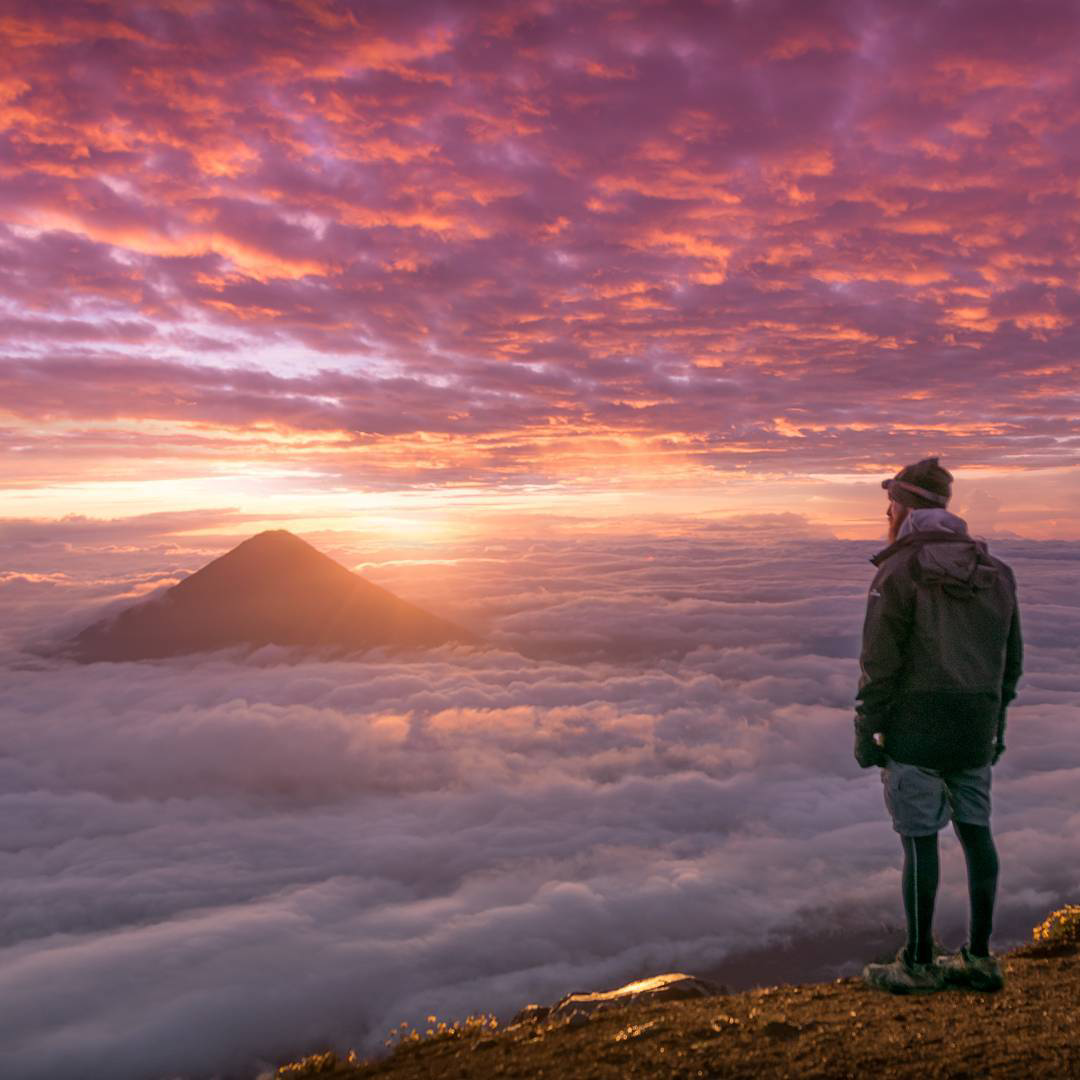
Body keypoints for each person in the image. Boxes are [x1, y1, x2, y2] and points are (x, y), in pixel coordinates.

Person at [854, 458, 1022, 994]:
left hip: (916, 722)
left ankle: (920, 963)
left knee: (920, 839)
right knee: (976, 832)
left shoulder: (899, 571)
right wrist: (995, 721)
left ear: (905, 506)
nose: (887, 513)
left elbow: (879, 661)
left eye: (890, 504)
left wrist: (867, 728)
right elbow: (1010, 658)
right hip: (975, 721)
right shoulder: (995, 571)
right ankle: (980, 958)